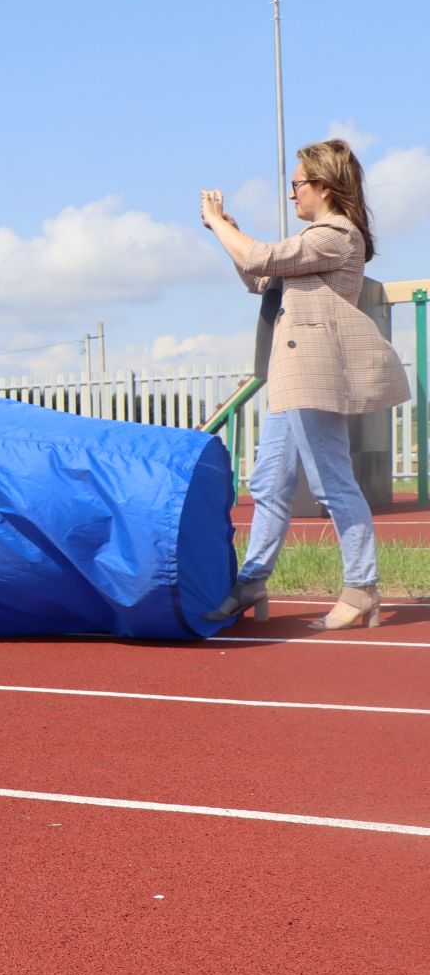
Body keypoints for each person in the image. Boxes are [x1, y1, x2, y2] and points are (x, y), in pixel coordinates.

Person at [200, 138, 410, 631]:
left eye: (297, 184)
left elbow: (261, 258)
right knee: (269, 482)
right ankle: (253, 580)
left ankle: (362, 587)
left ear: (324, 186)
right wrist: (226, 231)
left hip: (314, 375)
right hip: (291, 376)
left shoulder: (336, 234)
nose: (293, 194)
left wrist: (218, 224)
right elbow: (258, 275)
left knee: (330, 480)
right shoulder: (316, 241)